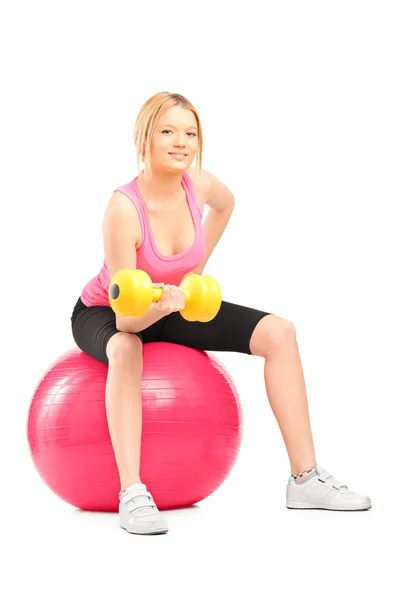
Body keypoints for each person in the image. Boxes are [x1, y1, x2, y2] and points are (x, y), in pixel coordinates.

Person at [71, 91, 372, 536]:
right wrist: (164, 303)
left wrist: (192, 275)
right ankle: (133, 493)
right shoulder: (122, 208)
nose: (181, 142)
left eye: (190, 133)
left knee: (280, 332)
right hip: (108, 313)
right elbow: (128, 320)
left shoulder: (199, 184)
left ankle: (305, 479)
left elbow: (227, 203)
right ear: (145, 138)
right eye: (168, 131)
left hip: (171, 302)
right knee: (127, 349)